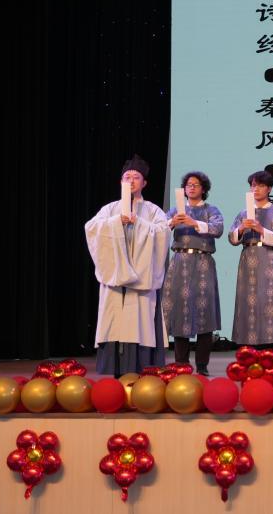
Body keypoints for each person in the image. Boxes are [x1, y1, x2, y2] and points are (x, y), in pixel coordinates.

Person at [85, 154, 169, 377]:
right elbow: (91, 228)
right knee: (113, 322)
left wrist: (138, 223)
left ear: (144, 183)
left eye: (136, 177)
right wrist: (115, 223)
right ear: (121, 181)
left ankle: (141, 370)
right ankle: (114, 371)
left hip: (140, 281)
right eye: (127, 177)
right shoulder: (110, 209)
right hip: (115, 281)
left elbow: (163, 233)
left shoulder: (152, 210)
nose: (131, 181)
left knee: (140, 323)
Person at [227, 169, 273, 367]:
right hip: (248, 262)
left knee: (271, 307)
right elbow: (232, 238)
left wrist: (261, 229)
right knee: (248, 307)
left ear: (269, 189)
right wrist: (242, 228)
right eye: (253, 185)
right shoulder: (243, 214)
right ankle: (247, 362)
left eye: (261, 185)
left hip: (269, 261)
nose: (256, 189)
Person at [164, 171, 224, 376]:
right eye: (188, 184)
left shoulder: (210, 210)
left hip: (202, 262)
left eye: (196, 184)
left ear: (203, 189)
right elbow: (159, 230)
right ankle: (181, 364)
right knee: (180, 313)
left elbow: (218, 229)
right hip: (180, 262)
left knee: (204, 312)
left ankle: (202, 365)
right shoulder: (175, 210)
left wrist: (194, 223)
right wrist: (172, 222)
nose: (191, 187)